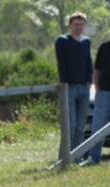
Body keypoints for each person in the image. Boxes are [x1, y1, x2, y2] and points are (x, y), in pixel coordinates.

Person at [55, 12, 92, 153]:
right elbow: (61, 63)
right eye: (76, 24)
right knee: (69, 125)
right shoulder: (62, 40)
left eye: (81, 25)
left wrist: (89, 80)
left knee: (80, 127)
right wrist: (64, 82)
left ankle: (77, 156)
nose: (78, 27)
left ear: (85, 25)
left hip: (84, 88)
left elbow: (89, 61)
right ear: (70, 25)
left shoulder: (86, 41)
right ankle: (64, 157)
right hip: (69, 88)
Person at [82, 38, 110, 167]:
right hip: (103, 92)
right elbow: (97, 70)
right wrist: (98, 89)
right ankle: (93, 157)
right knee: (97, 126)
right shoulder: (104, 47)